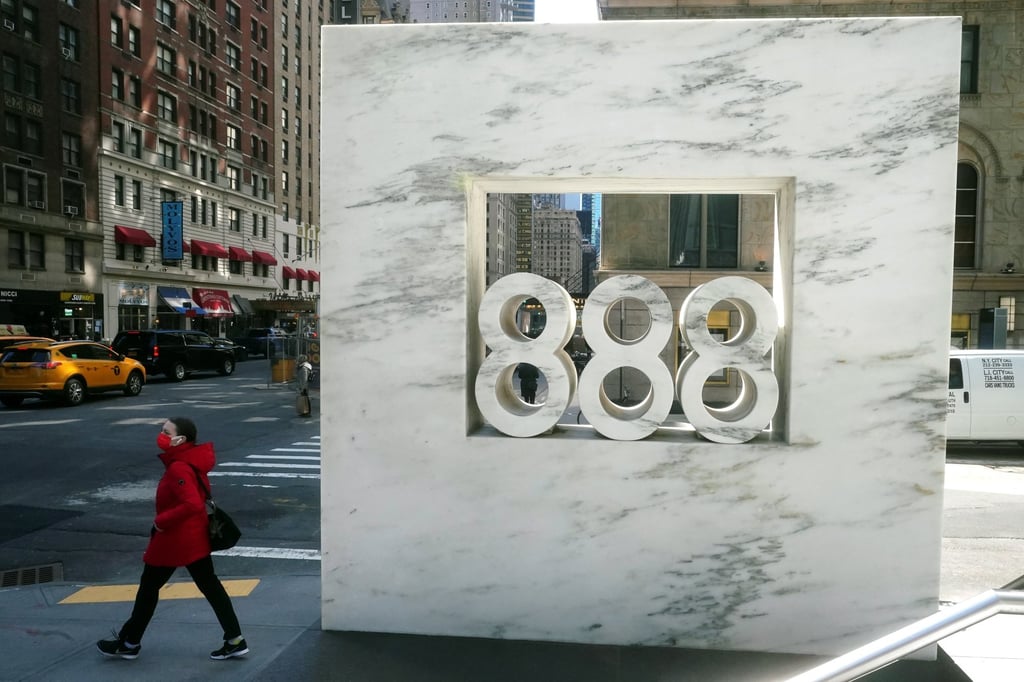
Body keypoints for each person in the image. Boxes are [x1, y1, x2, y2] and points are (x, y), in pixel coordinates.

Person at [97, 417, 248, 661]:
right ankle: (235, 639)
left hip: (176, 540)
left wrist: (161, 521)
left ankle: (129, 642)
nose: (161, 435)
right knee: (210, 587)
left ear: (180, 439)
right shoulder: (189, 461)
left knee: (148, 588)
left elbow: (191, 503)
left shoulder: (179, 467)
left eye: (166, 432)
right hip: (193, 538)